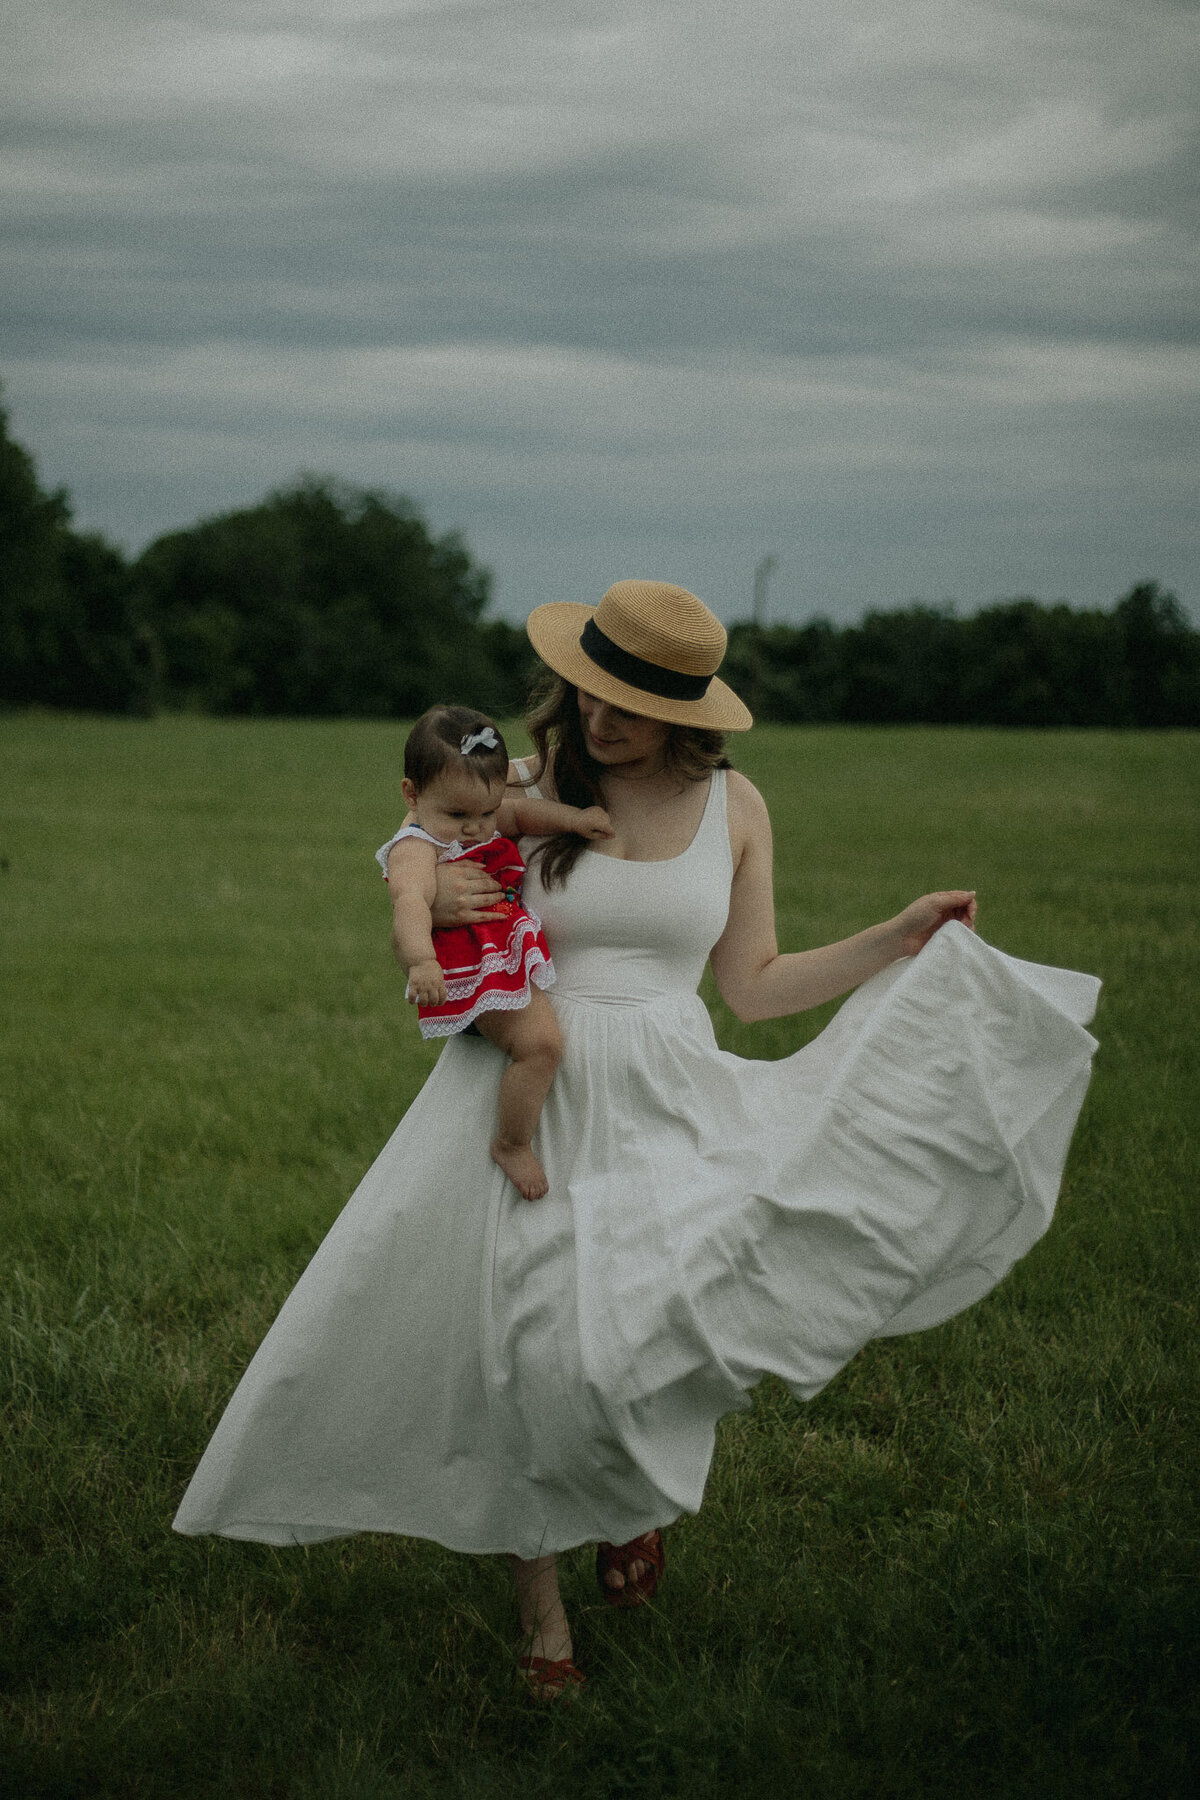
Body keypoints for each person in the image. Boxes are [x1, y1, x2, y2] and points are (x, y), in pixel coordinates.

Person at [174, 579, 1100, 1703]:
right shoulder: (521, 786)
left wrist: (896, 936)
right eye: (591, 690)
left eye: (633, 703)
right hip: (529, 1087)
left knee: (645, 1331)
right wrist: (441, 904)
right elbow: (421, 880)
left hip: (668, 1089)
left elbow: (754, 990)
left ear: (690, 713)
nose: (601, 719)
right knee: (526, 1350)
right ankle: (541, 1614)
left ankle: (628, 1499)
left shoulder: (738, 809)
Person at [376, 703, 613, 1200]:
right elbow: (410, 905)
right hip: (469, 971)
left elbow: (523, 812)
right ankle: (511, 1142)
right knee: (541, 1046)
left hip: (495, 957)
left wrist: (576, 819)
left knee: (541, 1044)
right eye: (458, 815)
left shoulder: (480, 814)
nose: (476, 828)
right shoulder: (415, 848)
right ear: (411, 796)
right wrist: (420, 962)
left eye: (485, 812)